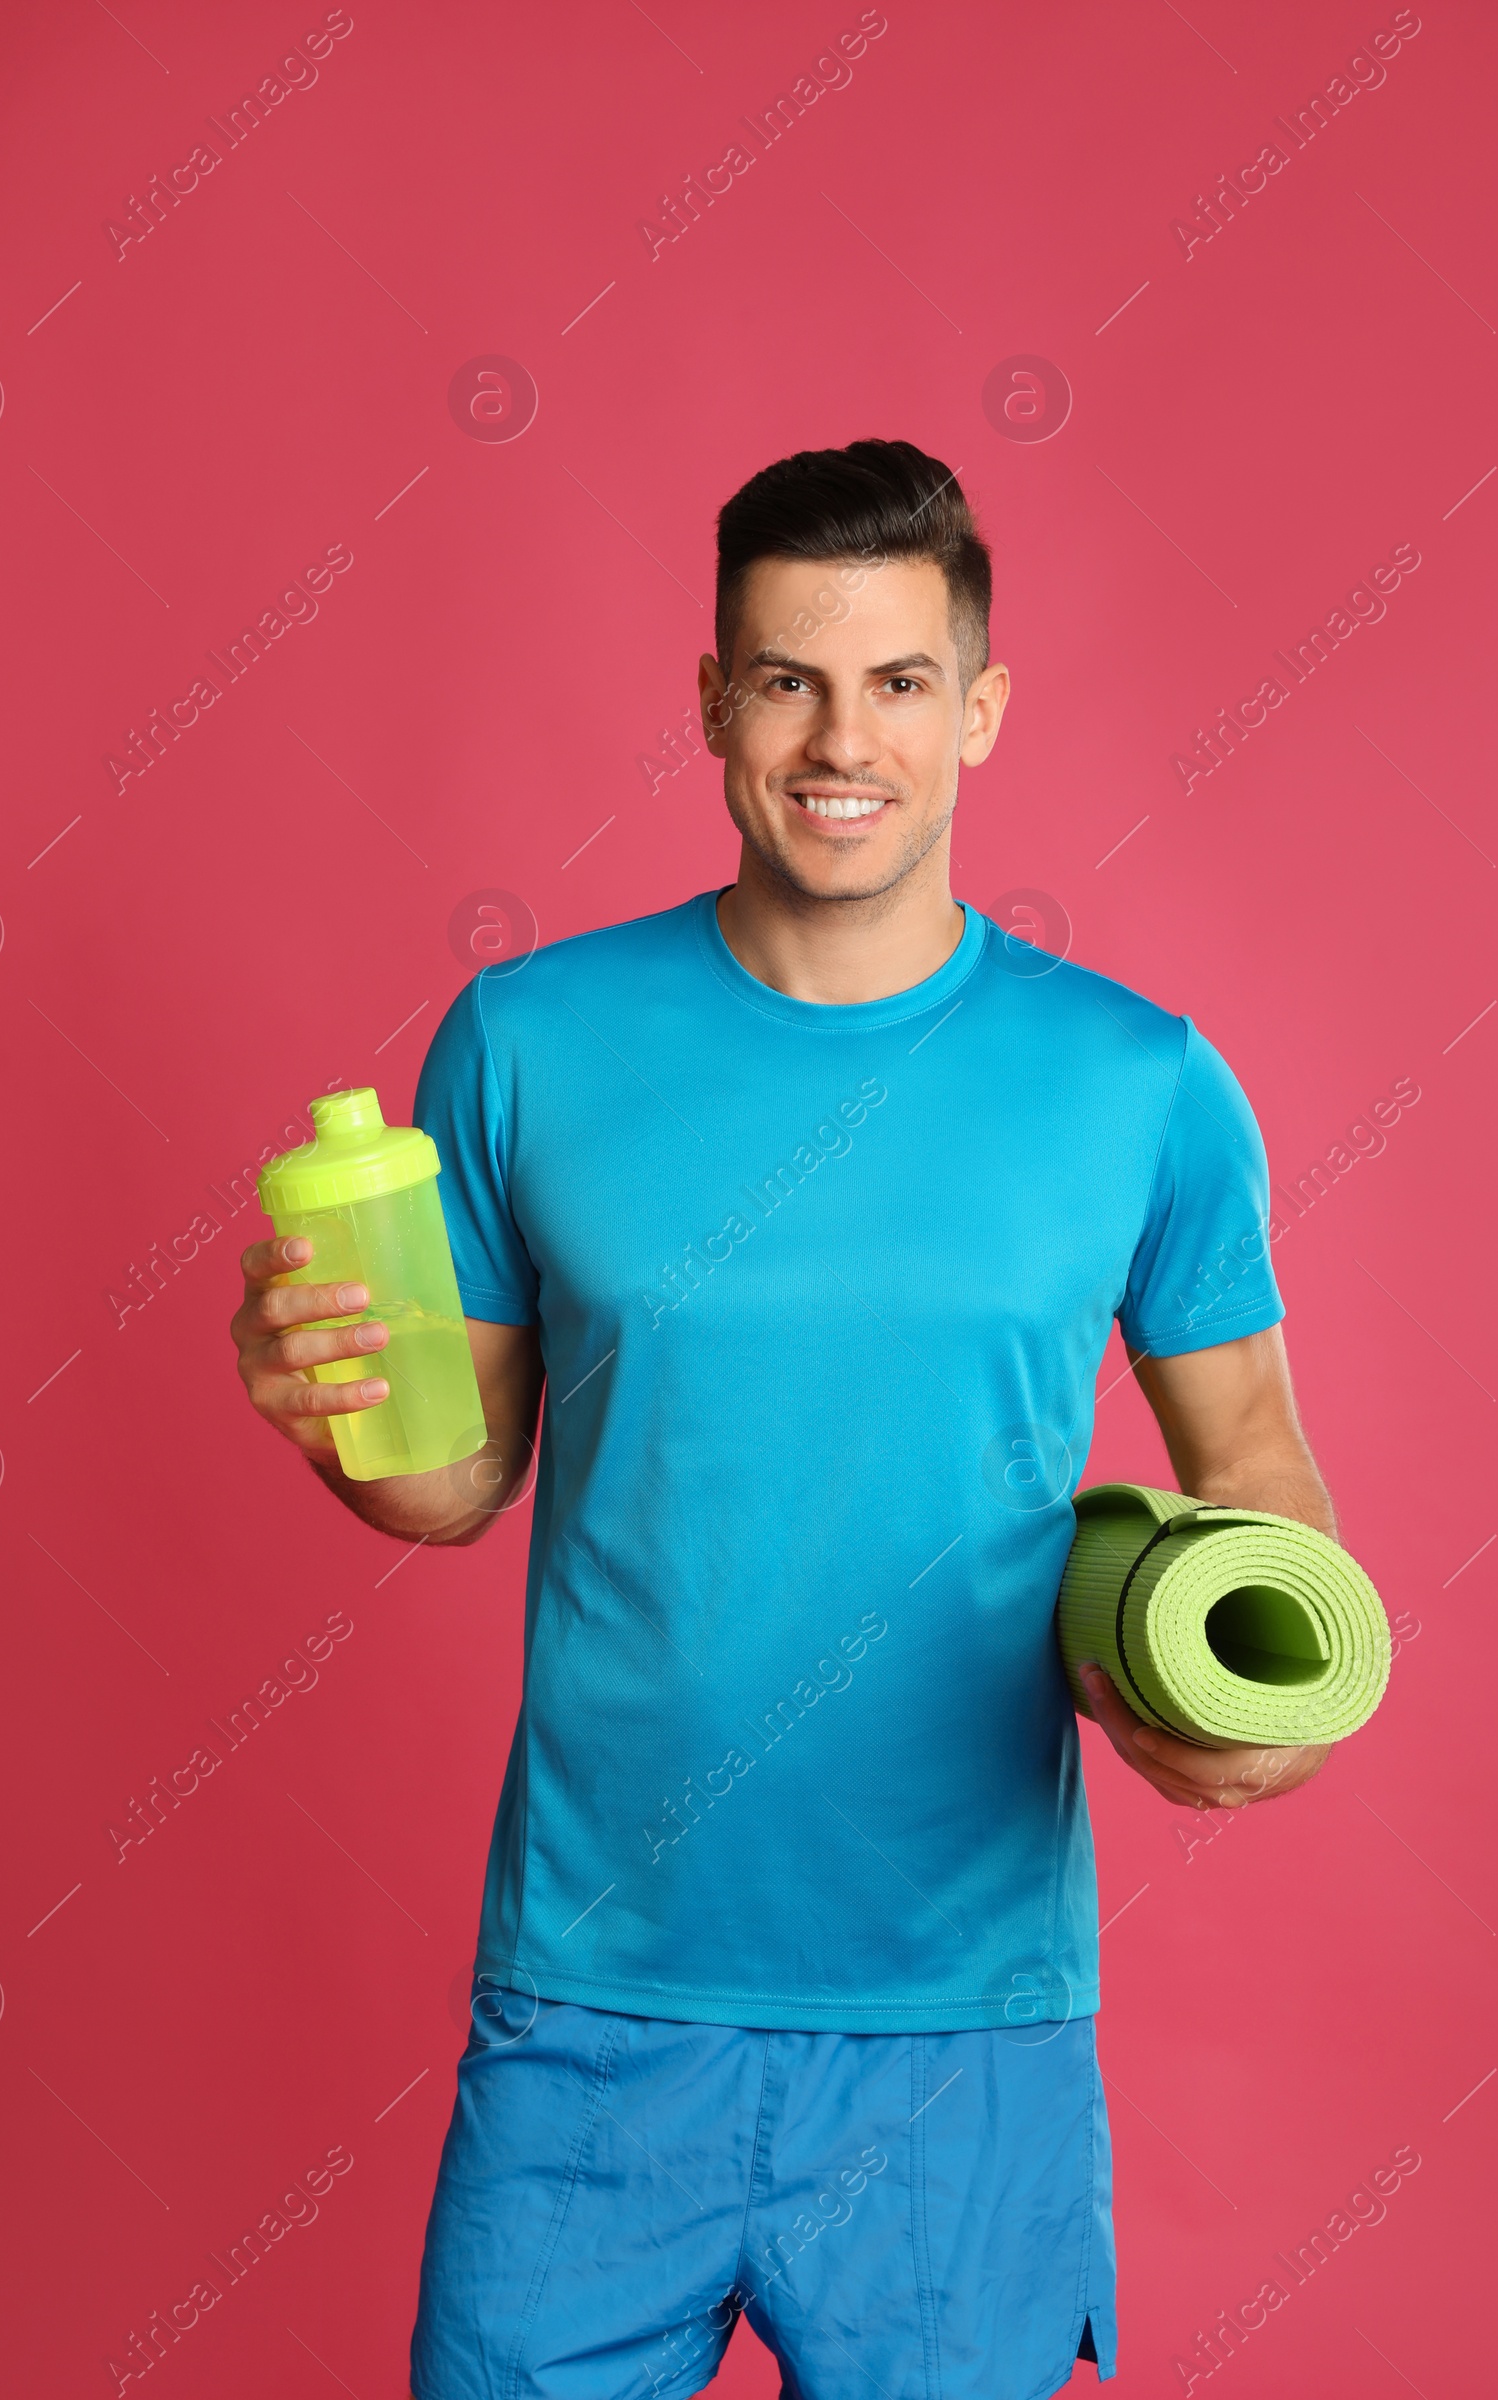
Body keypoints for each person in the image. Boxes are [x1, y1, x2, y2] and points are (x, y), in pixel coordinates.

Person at [230, 440, 1338, 2400]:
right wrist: (330, 1410)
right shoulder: (524, 1040)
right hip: (591, 2005)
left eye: (899, 681)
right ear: (712, 703)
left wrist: (1241, 1708)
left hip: (960, 2032)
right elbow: (460, 1477)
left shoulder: (1135, 1081)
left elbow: (1251, 1465)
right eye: (785, 679)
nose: (844, 737)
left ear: (977, 709)